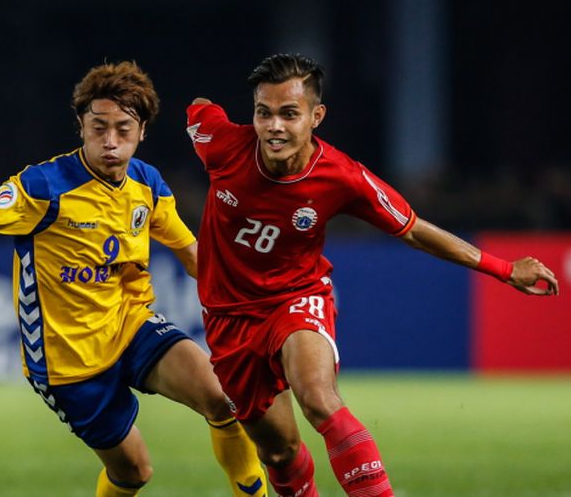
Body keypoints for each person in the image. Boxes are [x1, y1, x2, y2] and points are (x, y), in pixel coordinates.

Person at [0, 61, 268, 497]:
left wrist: (255, 299)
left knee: (222, 398)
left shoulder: (147, 184)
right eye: (99, 128)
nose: (110, 142)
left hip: (130, 325)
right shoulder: (45, 186)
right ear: (81, 126)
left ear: (142, 131)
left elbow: (192, 254)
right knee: (134, 473)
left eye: (123, 129)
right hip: (66, 363)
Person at [186, 53, 559, 497]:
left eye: (289, 113)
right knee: (280, 454)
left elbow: (415, 230)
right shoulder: (222, 145)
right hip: (228, 320)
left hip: (295, 300)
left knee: (319, 399)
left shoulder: (343, 177)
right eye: (264, 113)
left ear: (316, 116)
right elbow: (199, 108)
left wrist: (502, 268)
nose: (274, 127)